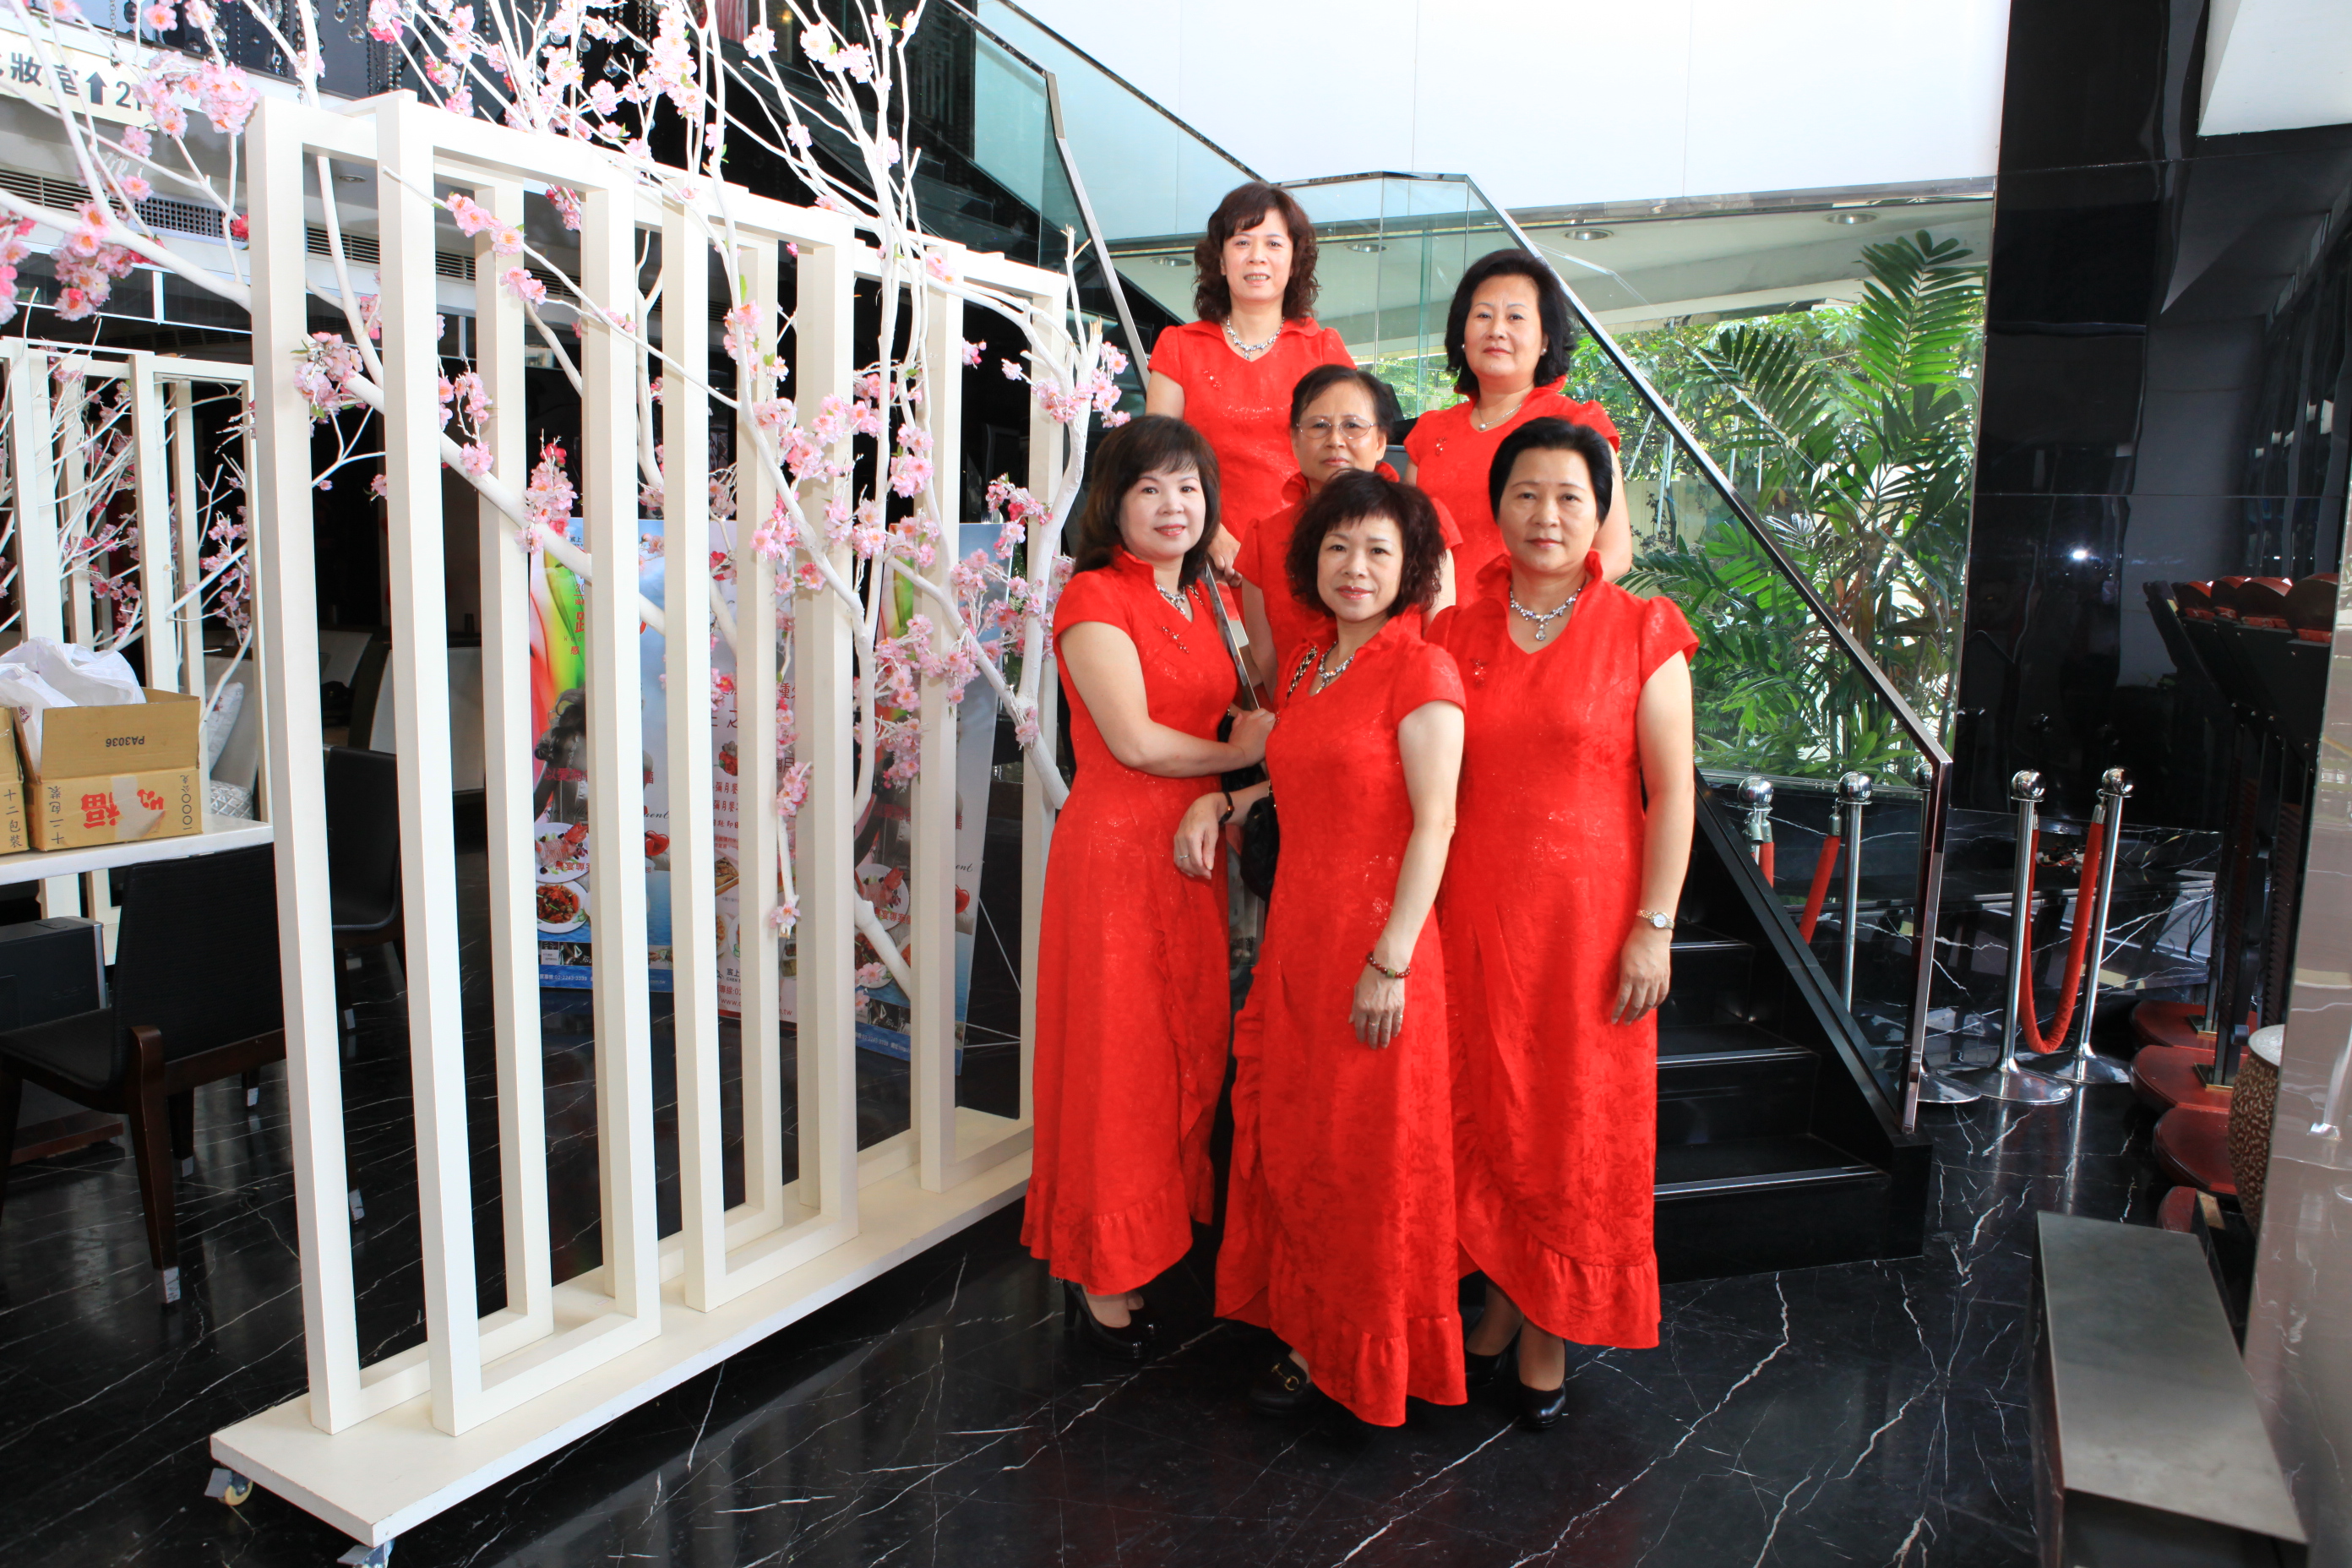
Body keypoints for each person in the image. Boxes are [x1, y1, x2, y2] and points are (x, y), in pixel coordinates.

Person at [1179, 467, 1467, 1426]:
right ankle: (1306, 1325)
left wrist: (1391, 959)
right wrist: (1227, 800)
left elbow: (1435, 822)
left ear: (1411, 566)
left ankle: (1357, 1358)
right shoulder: (1308, 665)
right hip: (1298, 936)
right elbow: (1306, 777)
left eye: (1380, 550)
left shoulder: (1422, 669)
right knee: (1300, 1139)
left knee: (1362, 1155)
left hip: (1378, 947)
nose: (1356, 566)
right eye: (1339, 546)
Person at [1429, 417, 1696, 1430]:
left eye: (1570, 496)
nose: (1547, 514)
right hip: (1471, 916)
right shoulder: (1453, 633)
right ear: (1496, 508)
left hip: (1589, 926)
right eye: (1527, 493)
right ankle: (1503, 1291)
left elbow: (1674, 792)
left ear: (1600, 514)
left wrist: (1654, 925)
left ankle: (1549, 1320)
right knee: (1484, 1105)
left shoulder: (1643, 628)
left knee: (1572, 1118)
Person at [1024, 415, 1277, 1361]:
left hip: (1189, 852)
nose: (1174, 505)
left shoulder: (1203, 595)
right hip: (1117, 855)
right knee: (1118, 1060)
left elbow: (1257, 684)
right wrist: (1243, 757)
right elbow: (1133, 740)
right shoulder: (1094, 595)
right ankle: (1099, 1266)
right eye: (1150, 488)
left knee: (1183, 1046)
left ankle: (1149, 1240)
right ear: (1113, 502)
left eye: (1189, 487)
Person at [1146, 182, 1354, 574]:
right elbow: (1156, 459)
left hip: (1306, 560)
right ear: (1222, 261)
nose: (1257, 256)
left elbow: (1349, 465)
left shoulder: (1324, 349)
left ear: (1294, 261)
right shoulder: (1179, 347)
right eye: (1242, 242)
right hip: (1200, 557)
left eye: (1273, 243)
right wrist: (1211, 534)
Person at [1402, 248, 1634, 586]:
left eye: (1515, 317)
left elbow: (1614, 553)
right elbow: (1405, 547)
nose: (1496, 330)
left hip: (1528, 618)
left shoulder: (1576, 425)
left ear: (1545, 340)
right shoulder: (1430, 431)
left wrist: (1536, 609)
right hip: (1434, 619)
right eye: (1483, 315)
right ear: (1462, 334)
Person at [1232, 365, 1460, 696]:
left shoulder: (1422, 519)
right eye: (1319, 426)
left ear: (1380, 442)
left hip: (1402, 711)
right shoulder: (1264, 538)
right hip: (1300, 713)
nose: (1335, 441)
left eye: (1352, 426)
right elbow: (1267, 658)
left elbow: (1440, 636)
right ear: (1294, 440)